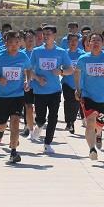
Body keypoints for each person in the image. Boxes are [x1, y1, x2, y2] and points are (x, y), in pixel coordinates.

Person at [0, 31, 31, 165]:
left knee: (15, 121)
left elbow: (28, 69)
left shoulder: (23, 56)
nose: (14, 46)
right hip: (1, 96)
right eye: (11, 43)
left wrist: (27, 81)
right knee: (2, 125)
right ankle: (0, 132)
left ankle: (13, 152)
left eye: (17, 43)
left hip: (17, 95)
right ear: (6, 43)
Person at [74, 33, 104, 160]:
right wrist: (77, 88)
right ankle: (92, 149)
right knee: (90, 122)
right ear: (88, 43)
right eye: (93, 40)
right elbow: (77, 72)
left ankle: (99, 134)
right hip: (88, 96)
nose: (95, 43)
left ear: (102, 43)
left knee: (98, 126)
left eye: (98, 40)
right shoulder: (83, 59)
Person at [29, 25, 74, 154]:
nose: (45, 36)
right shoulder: (36, 51)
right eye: (44, 34)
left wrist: (61, 72)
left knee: (53, 117)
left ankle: (47, 143)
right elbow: (28, 69)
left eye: (48, 34)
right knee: (41, 118)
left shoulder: (61, 52)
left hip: (55, 90)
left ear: (54, 35)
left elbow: (71, 69)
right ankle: (39, 125)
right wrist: (37, 78)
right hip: (40, 90)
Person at [61, 33, 83, 133]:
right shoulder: (64, 53)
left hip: (78, 83)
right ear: (68, 42)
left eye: (75, 40)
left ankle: (72, 121)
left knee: (75, 102)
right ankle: (68, 122)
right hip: (67, 82)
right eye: (71, 40)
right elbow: (59, 65)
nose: (73, 42)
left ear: (78, 42)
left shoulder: (82, 54)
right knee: (68, 101)